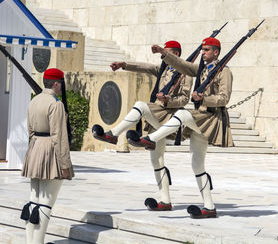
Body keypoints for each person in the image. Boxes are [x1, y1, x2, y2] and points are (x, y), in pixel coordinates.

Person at [136, 37, 233, 218]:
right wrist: (164, 54)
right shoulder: (202, 69)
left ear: (216, 52)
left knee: (182, 115)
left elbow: (224, 98)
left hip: (211, 118)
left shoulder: (225, 72)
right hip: (201, 117)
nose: (203, 53)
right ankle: (209, 207)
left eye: (206, 50)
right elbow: (183, 66)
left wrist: (203, 98)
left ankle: (151, 138)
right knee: (196, 164)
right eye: (202, 50)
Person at [92, 40, 193, 211]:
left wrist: (169, 100)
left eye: (165, 52)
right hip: (158, 117)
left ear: (175, 54)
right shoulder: (164, 69)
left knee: (140, 105)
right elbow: (144, 67)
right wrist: (124, 64)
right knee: (157, 161)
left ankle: (113, 134)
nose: (162, 56)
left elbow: (185, 99)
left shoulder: (185, 72)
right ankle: (165, 201)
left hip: (169, 117)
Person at [20, 68, 74, 244]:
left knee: (33, 202)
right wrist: (65, 164)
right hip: (50, 151)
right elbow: (59, 136)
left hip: (35, 148)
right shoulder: (56, 104)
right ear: (56, 84)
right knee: (45, 203)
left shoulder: (34, 101)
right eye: (61, 85)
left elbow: (29, 129)